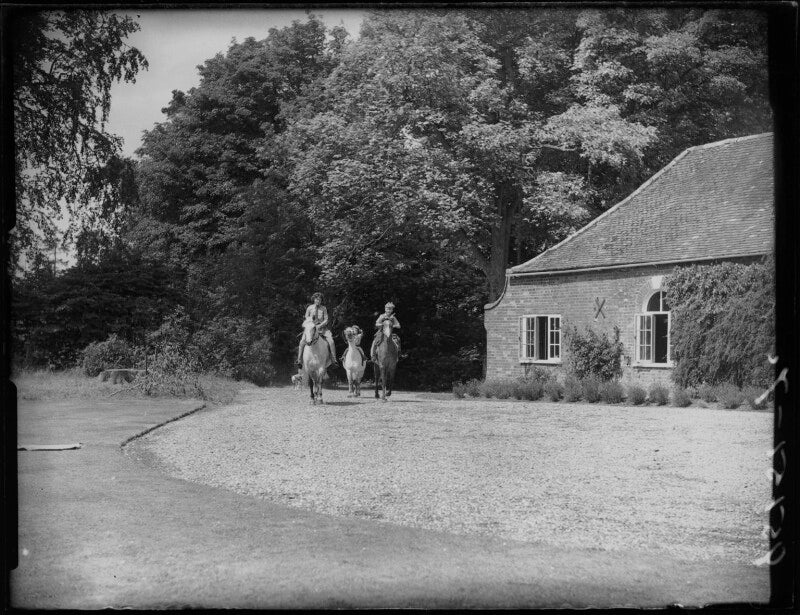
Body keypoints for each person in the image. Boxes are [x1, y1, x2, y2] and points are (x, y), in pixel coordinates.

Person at [297, 292, 338, 368]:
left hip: (321, 328)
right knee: (302, 341)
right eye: (317, 299)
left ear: (321, 301)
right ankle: (299, 360)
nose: (318, 301)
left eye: (319, 300)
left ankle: (333, 360)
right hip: (311, 328)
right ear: (314, 300)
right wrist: (310, 324)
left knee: (331, 341)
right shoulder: (309, 308)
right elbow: (306, 318)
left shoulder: (324, 308)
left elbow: (326, 319)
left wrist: (319, 325)